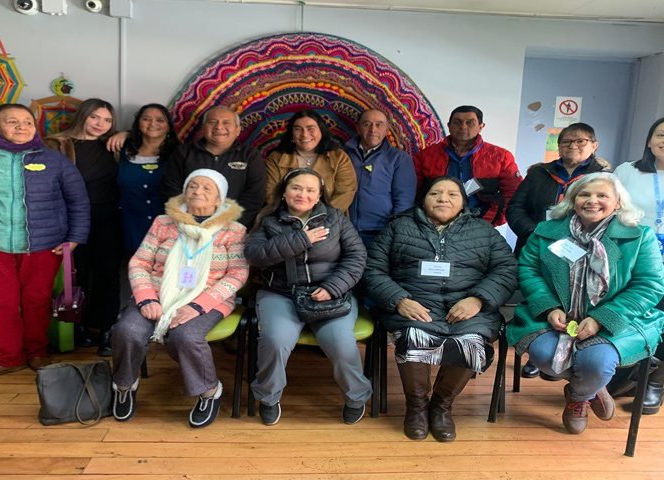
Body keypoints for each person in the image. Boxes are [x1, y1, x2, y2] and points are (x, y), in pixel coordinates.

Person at [507, 172, 664, 435]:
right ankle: (593, 388)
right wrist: (548, 307)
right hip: (554, 317)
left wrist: (602, 318)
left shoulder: (639, 236)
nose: (592, 200)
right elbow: (528, 269)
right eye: (584, 194)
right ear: (572, 200)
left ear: (618, 202)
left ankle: (578, 397)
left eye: (602, 195)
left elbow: (649, 285)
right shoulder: (546, 232)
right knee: (545, 357)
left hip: (619, 320)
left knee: (596, 364)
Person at [364, 176, 517, 441]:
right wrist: (399, 300)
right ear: (423, 199)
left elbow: (507, 269)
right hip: (415, 304)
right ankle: (417, 408)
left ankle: (441, 407)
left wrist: (478, 299)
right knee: (413, 337)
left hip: (468, 307)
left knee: (471, 342)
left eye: (452, 194)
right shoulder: (399, 227)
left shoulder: (484, 231)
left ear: (463, 202)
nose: (443, 199)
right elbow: (373, 269)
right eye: (435, 193)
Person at [111, 169, 249, 428]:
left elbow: (238, 274)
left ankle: (209, 390)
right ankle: (124, 385)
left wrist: (198, 305)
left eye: (207, 188)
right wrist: (147, 298)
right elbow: (140, 262)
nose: (198, 191)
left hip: (208, 298)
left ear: (219, 199)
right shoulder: (163, 223)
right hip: (157, 294)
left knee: (185, 336)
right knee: (127, 331)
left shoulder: (234, 230)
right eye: (193, 186)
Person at [244, 168, 371, 426]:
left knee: (341, 342)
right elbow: (254, 255)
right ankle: (268, 397)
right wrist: (301, 238)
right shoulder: (268, 220)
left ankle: (356, 397)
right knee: (275, 340)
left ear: (319, 196)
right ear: (284, 192)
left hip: (329, 294)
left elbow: (357, 257)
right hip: (281, 293)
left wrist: (333, 288)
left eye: (310, 190)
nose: (303, 194)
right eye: (296, 188)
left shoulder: (336, 218)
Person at [0, 104, 90, 379]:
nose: (21, 126)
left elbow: (78, 201)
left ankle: (36, 352)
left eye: (27, 122)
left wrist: (75, 238)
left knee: (37, 301)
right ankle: (8, 357)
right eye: (12, 121)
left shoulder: (54, 160)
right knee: (0, 303)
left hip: (44, 246)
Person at [506, 122, 609, 379]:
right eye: (566, 141)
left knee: (575, 299)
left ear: (594, 145)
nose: (573, 145)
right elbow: (515, 208)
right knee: (539, 297)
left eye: (580, 141)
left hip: (581, 252)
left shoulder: (604, 176)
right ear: (559, 146)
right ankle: (539, 355)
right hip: (536, 246)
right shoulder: (539, 173)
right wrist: (537, 235)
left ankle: (569, 355)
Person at [46, 98, 120, 356]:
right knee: (77, 274)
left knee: (108, 274)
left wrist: (125, 134)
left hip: (108, 218)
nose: (101, 124)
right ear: (83, 116)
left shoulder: (112, 145)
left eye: (108, 120)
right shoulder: (57, 144)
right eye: (95, 117)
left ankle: (107, 329)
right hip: (72, 220)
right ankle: (78, 327)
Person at [614, 117, 664, 414]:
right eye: (661, 134)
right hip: (634, 252)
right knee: (635, 309)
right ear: (649, 140)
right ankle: (629, 372)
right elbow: (611, 208)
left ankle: (655, 382)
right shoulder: (627, 171)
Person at [413, 105, 521, 226]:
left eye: (470, 123)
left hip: (480, 223)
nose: (463, 127)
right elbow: (414, 191)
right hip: (434, 223)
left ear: (481, 127)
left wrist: (494, 221)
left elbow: (514, 194)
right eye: (457, 122)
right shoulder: (426, 155)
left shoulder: (501, 157)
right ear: (449, 126)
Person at [162, 106, 265, 228]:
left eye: (226, 122)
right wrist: (191, 222)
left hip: (232, 228)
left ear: (237, 130)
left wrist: (227, 225)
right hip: (187, 225)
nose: (219, 127)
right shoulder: (183, 153)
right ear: (203, 128)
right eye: (213, 122)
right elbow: (172, 189)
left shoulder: (250, 155)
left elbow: (255, 196)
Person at [344, 109, 416, 246]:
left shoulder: (398, 158)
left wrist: (393, 231)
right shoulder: (343, 154)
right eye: (367, 124)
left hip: (381, 232)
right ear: (358, 128)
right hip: (345, 230)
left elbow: (404, 200)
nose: (373, 130)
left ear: (387, 129)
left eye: (379, 124)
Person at [117, 104, 180, 255]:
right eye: (146, 119)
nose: (153, 124)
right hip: (129, 228)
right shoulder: (121, 150)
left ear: (168, 126)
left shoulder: (180, 154)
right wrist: (124, 134)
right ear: (138, 124)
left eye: (160, 120)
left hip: (168, 233)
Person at [265, 110, 357, 213]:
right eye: (298, 129)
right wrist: (294, 216)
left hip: (330, 217)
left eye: (310, 129)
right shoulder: (276, 158)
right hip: (284, 217)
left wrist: (319, 217)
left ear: (321, 131)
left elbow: (346, 192)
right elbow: (270, 194)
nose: (304, 135)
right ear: (291, 133)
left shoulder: (339, 157)